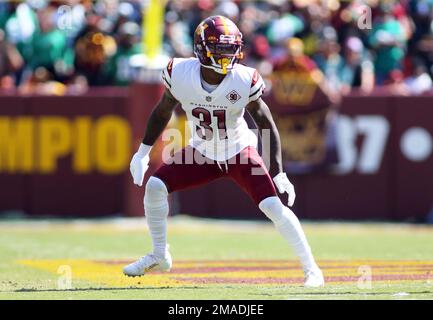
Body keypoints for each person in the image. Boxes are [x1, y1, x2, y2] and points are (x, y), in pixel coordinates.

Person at [123, 16, 324, 288]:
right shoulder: (179, 72)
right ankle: (160, 255)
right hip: (201, 152)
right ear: (201, 48)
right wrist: (142, 152)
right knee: (155, 187)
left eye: (231, 48)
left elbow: (266, 123)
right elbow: (162, 111)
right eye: (220, 48)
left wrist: (278, 173)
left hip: (239, 152)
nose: (227, 55)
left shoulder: (243, 78)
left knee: (273, 206)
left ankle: (312, 270)